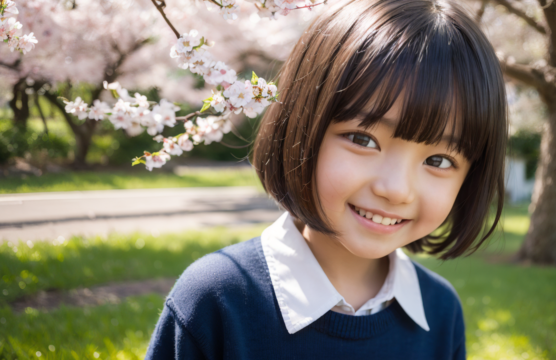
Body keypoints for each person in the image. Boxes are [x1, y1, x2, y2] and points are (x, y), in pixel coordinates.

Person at [145, 0, 507, 358]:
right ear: (302, 127)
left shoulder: (440, 312)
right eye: (363, 139)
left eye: (439, 160)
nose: (396, 189)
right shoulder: (217, 300)